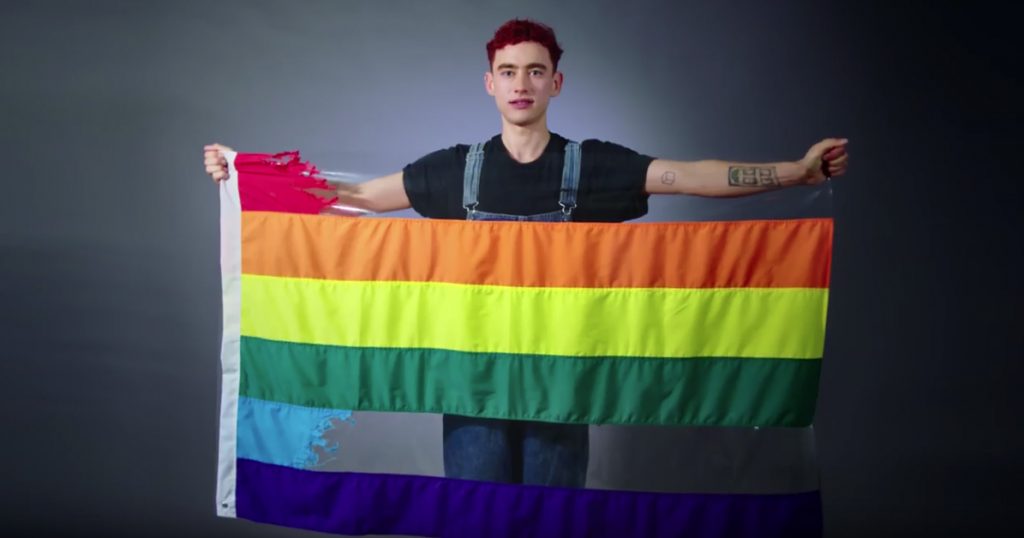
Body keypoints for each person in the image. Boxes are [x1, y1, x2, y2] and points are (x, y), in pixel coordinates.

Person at [203, 18, 849, 489]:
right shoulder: (457, 170)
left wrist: (794, 172)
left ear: (555, 82)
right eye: (508, 71)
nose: (521, 83)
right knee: (475, 520)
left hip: (560, 383)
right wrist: (248, 176)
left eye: (534, 71)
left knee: (552, 524)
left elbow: (684, 176)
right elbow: (364, 195)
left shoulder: (589, 165)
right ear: (490, 83)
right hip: (474, 382)